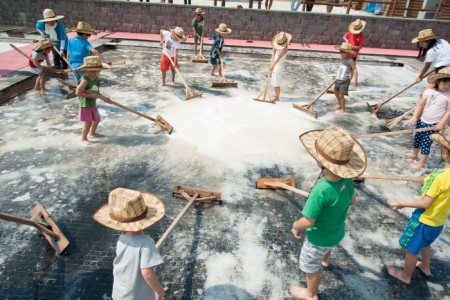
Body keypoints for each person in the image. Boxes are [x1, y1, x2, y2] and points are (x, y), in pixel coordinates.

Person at [290, 126, 367, 300]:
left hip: (318, 238)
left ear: (320, 160)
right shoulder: (347, 179)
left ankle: (310, 293)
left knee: (310, 266)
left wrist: (295, 226)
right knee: (327, 248)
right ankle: (325, 260)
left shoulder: (320, 190)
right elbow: (352, 200)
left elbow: (308, 221)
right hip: (337, 232)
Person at [387, 132, 450, 284]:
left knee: (412, 249)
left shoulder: (439, 177)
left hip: (424, 219)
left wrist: (403, 204)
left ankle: (405, 275)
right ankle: (425, 266)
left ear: (446, 152)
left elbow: (425, 203)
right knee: (426, 243)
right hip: (438, 221)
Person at [92, 188, 166, 300]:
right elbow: (147, 273)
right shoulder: (146, 243)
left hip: (119, 293)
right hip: (137, 296)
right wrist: (160, 291)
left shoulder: (121, 239)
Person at [404, 67, 450, 170]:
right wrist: (415, 117)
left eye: (448, 84)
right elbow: (420, 105)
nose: (446, 86)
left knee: (426, 144)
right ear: (438, 82)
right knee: (417, 139)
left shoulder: (448, 96)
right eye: (444, 84)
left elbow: (448, 111)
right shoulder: (429, 91)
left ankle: (421, 163)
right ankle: (414, 155)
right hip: (423, 121)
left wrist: (441, 123)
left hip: (434, 125)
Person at [75, 56, 112, 145]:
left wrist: (104, 98)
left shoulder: (95, 79)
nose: (100, 73)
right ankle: (84, 138)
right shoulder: (85, 80)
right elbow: (78, 92)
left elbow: (97, 93)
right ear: (92, 71)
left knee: (97, 119)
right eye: (99, 71)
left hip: (92, 104)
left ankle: (92, 133)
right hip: (85, 105)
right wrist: (90, 95)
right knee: (88, 123)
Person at [68, 22, 111, 87]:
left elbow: (68, 54)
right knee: (89, 83)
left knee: (80, 83)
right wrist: (104, 61)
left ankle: (80, 93)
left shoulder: (70, 40)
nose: (88, 37)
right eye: (88, 35)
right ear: (85, 34)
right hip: (83, 67)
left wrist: (69, 65)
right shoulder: (85, 42)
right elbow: (94, 51)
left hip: (73, 67)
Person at [333, 42, 358, 113]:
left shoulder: (350, 60)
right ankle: (340, 104)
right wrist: (337, 76)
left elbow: (355, 70)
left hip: (345, 80)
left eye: (343, 53)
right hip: (338, 79)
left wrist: (355, 80)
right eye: (341, 52)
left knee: (341, 95)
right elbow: (340, 68)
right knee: (336, 92)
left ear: (348, 53)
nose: (341, 54)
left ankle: (343, 109)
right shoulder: (342, 59)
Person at [270, 32, 291, 102]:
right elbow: (274, 53)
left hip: (278, 67)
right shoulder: (278, 48)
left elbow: (278, 58)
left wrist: (272, 65)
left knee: (276, 83)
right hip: (275, 65)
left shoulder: (285, 50)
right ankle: (276, 94)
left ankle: (277, 97)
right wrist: (273, 49)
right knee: (274, 81)